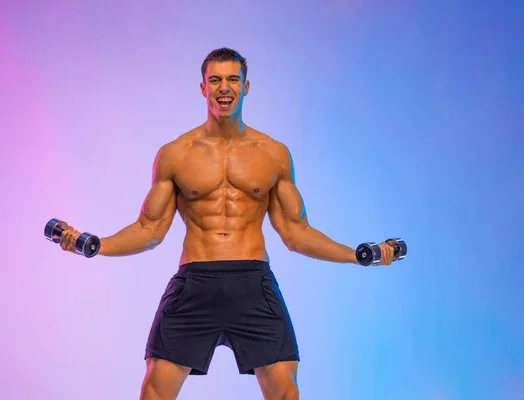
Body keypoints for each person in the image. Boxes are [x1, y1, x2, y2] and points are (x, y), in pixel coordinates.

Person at [57, 48, 397, 400]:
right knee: (155, 389)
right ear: (203, 88)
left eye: (232, 79)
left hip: (253, 284)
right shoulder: (176, 153)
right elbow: (150, 229)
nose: (224, 87)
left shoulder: (272, 153)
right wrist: (95, 245)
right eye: (215, 80)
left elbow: (296, 233)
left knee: (285, 390)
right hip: (195, 284)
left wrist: (357, 256)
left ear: (246, 86)